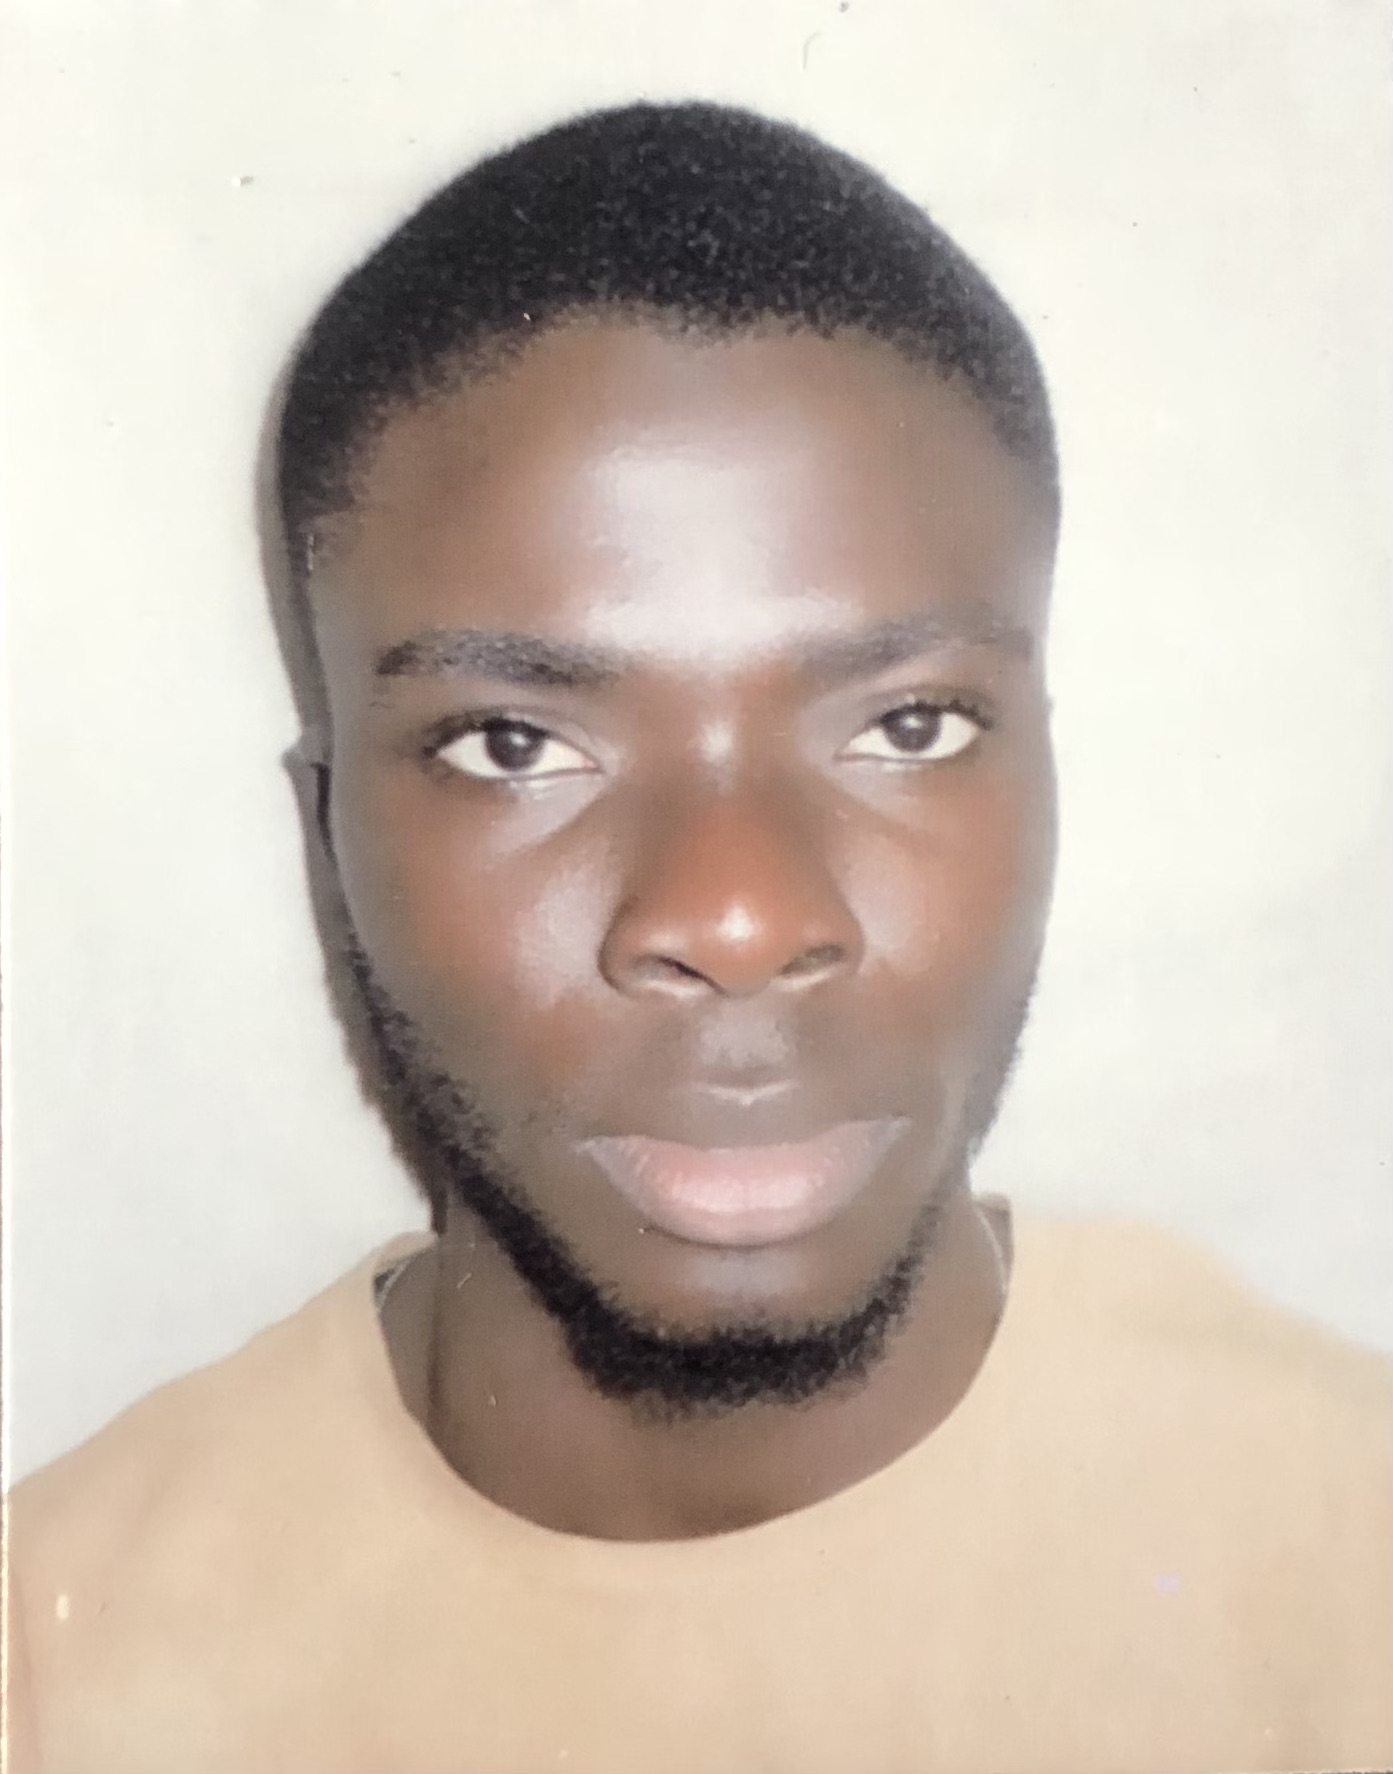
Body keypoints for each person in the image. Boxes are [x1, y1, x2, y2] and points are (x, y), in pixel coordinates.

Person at [4, 100, 1388, 1774]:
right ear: (328, 839)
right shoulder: (57, 1668)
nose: (735, 917)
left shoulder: (1347, 1565)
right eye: (514, 744)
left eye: (909, 726)